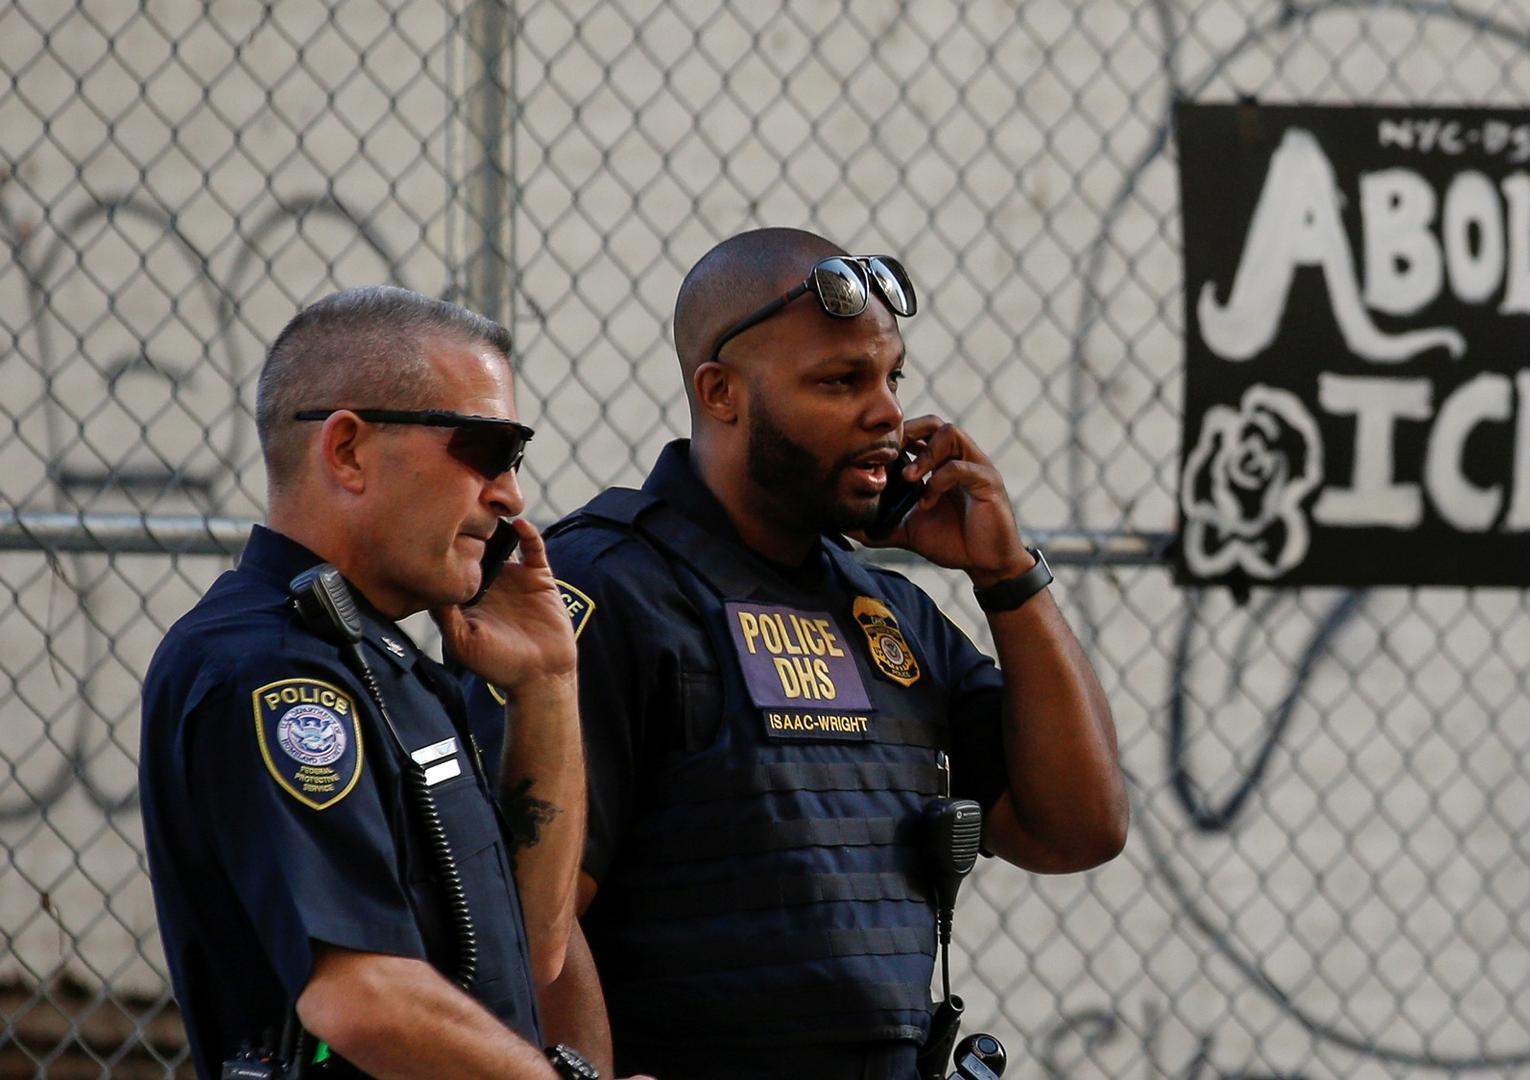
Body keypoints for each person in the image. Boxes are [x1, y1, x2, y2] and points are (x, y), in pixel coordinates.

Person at [470, 229, 1129, 1079]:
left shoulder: (887, 613)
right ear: (721, 393)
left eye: (892, 377)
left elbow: (1076, 827)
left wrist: (1008, 579)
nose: (888, 412)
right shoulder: (607, 592)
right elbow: (529, 928)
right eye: (840, 381)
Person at [140, 286, 605, 1078]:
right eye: (486, 450)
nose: (510, 493)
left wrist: (547, 688)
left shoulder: (378, 662)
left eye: (515, 461)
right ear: (348, 450)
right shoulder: (273, 672)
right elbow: (361, 997)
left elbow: (531, 950)